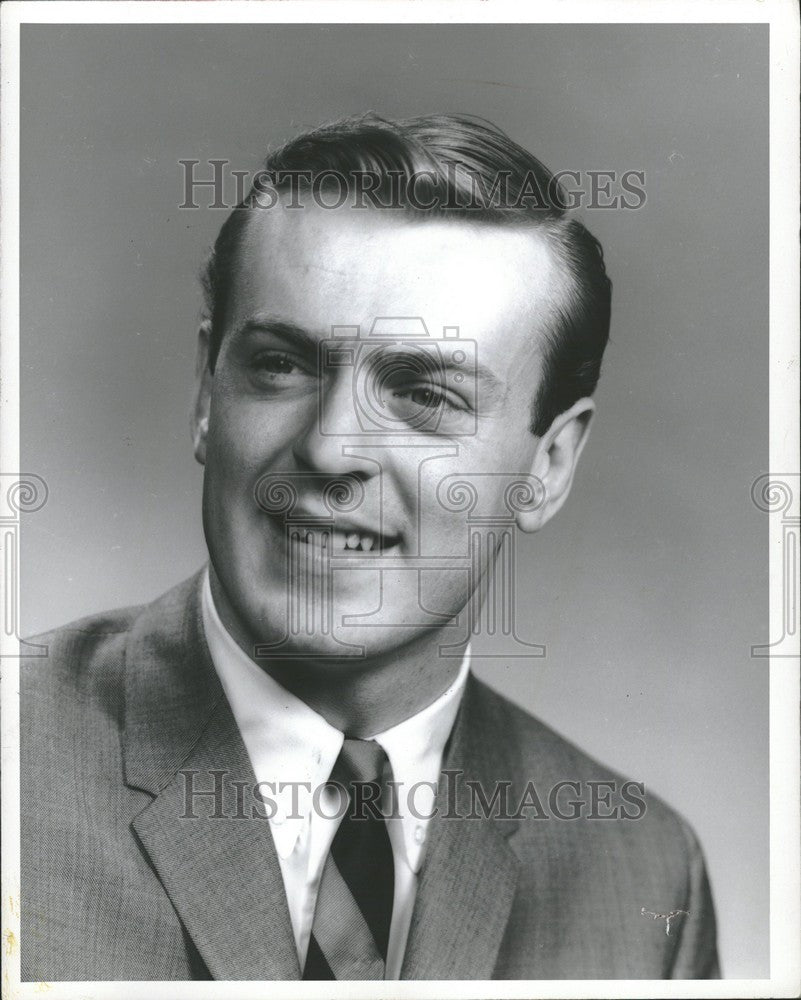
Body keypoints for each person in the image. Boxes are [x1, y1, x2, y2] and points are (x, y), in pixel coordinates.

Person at [20, 113, 719, 981]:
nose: (329, 448)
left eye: (425, 392)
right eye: (281, 365)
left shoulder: (643, 868)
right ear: (206, 391)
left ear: (547, 464)